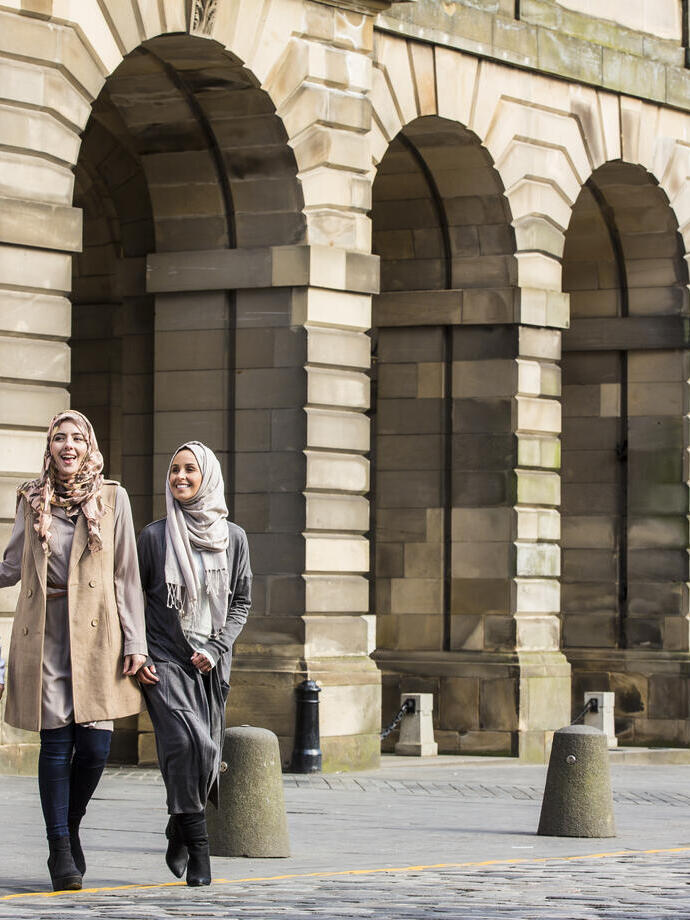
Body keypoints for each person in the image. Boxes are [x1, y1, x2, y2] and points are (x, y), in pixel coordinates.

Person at [0, 411, 147, 891]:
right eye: (59, 438)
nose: (68, 445)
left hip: (99, 634)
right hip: (45, 633)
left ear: (90, 446)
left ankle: (72, 822)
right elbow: (11, 564)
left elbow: (126, 575)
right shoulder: (31, 497)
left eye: (76, 438)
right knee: (56, 744)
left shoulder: (113, 498)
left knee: (96, 747)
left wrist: (137, 644)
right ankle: (59, 846)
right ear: (50, 446)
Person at [136, 441, 251, 887]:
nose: (180, 477)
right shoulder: (153, 536)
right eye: (174, 470)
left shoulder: (234, 538)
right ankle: (200, 851)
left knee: (206, 755)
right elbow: (132, 598)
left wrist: (219, 647)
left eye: (189, 470)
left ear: (208, 476)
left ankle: (178, 826)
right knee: (191, 745)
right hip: (165, 658)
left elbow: (241, 602)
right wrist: (139, 650)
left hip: (211, 665)